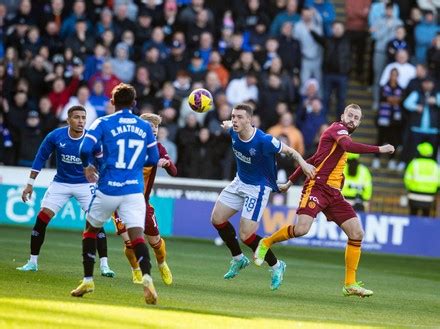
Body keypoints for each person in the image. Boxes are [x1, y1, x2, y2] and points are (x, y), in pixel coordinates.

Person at [254, 103, 395, 298]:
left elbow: (313, 159)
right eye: (350, 115)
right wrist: (380, 148)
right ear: (342, 115)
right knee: (302, 229)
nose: (352, 119)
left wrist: (290, 181)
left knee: (357, 233)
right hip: (317, 187)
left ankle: (350, 284)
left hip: (334, 194)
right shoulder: (337, 129)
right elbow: (348, 146)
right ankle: (266, 242)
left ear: (360, 122)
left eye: (356, 117)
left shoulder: (341, 135)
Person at [70, 83, 160, 305]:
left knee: (90, 230)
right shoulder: (145, 126)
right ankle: (147, 277)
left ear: (112, 102)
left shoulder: (102, 122)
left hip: (108, 188)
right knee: (138, 235)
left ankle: (88, 279)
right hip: (134, 190)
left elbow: (84, 149)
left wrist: (87, 166)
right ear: (134, 103)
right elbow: (154, 159)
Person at [211, 103, 316, 291]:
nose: (235, 120)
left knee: (246, 235)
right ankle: (238, 259)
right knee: (217, 219)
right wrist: (229, 124)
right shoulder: (233, 131)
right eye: (233, 116)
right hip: (239, 182)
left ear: (250, 120)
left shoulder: (265, 141)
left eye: (240, 117)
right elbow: (229, 125)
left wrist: (304, 164)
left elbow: (290, 151)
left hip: (257, 188)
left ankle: (277, 266)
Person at [17, 106, 115, 277]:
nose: (81, 121)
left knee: (96, 223)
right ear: (68, 119)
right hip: (61, 183)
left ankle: (105, 266)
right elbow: (40, 158)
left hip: (85, 185)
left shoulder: (92, 139)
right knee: (41, 219)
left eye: (83, 118)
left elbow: (103, 162)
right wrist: (30, 184)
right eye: (77, 117)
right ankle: (32, 262)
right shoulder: (56, 136)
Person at [113, 112, 177, 285]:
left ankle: (162, 263)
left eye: (156, 126)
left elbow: (174, 172)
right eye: (150, 126)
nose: (154, 130)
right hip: (120, 200)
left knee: (155, 242)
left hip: (142, 203)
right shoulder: (126, 145)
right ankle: (136, 270)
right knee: (130, 243)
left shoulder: (158, 147)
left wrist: (167, 163)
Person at [404, 142, 439, 217]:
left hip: (414, 195)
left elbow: (407, 179)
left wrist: (410, 188)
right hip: (429, 197)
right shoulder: (435, 165)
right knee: (426, 216)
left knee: (413, 215)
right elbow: (438, 181)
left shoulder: (414, 163)